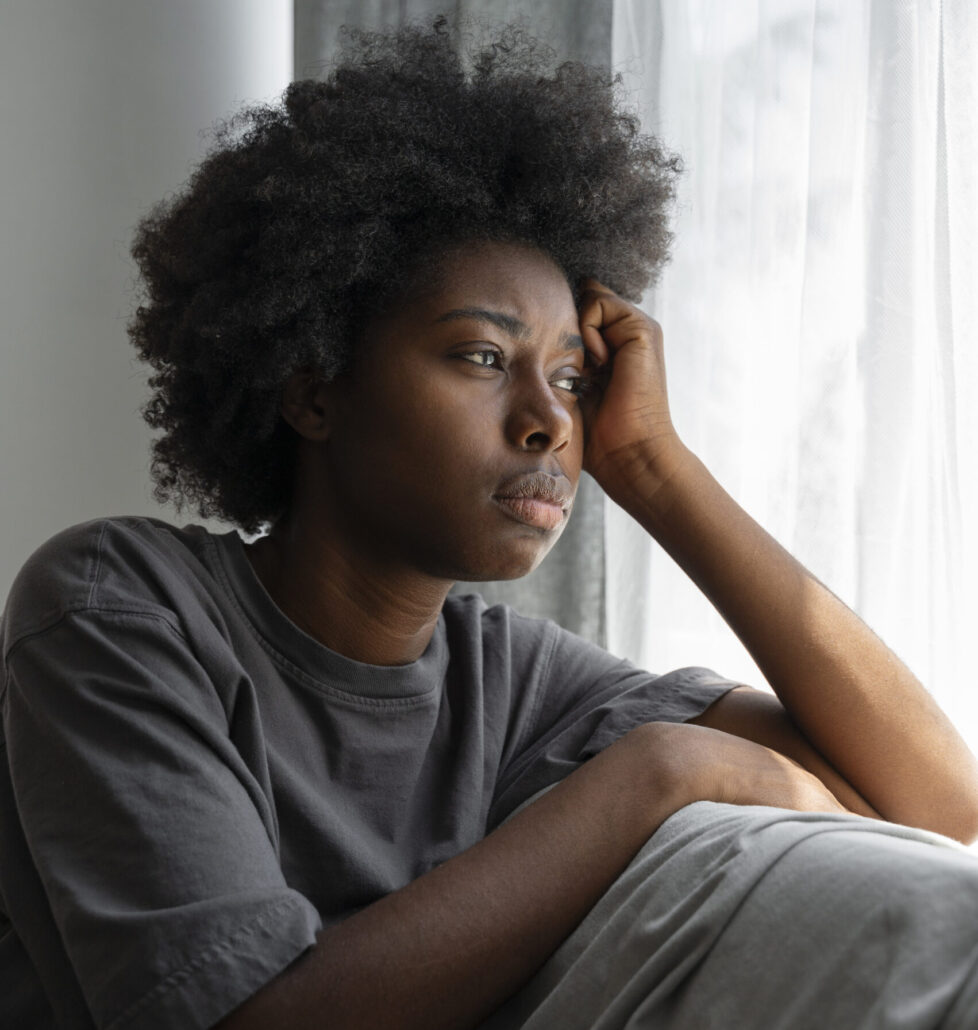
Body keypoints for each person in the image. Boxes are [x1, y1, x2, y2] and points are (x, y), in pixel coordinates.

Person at [2, 18, 978, 1030]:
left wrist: (655, 466)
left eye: (573, 379)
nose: (550, 419)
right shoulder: (121, 607)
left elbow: (936, 801)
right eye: (481, 357)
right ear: (313, 388)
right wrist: (659, 774)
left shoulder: (510, 682)